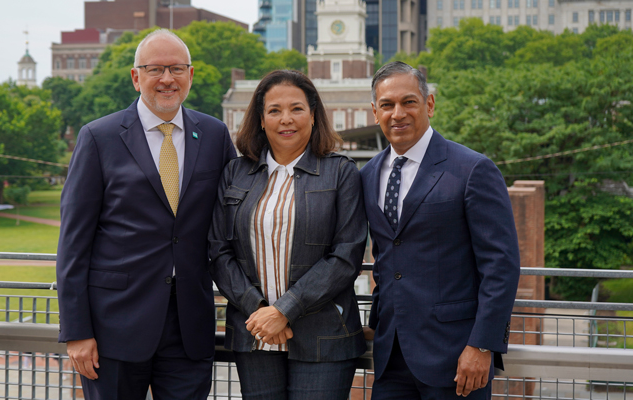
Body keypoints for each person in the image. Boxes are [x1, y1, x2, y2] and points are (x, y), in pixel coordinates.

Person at [56, 29, 236, 399]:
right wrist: (76, 331)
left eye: (176, 69)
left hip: (189, 328)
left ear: (190, 74)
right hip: (113, 330)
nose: (167, 79)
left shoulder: (215, 135)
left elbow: (236, 215)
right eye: (155, 69)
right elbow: (73, 244)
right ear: (136, 77)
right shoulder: (98, 138)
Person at [360, 61, 520, 399]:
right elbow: (386, 255)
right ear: (375, 112)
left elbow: (501, 265)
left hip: (457, 357)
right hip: (391, 356)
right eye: (387, 105)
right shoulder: (368, 174)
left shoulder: (473, 169)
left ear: (429, 104)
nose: (397, 113)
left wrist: (482, 345)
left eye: (409, 102)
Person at [208, 70, 367, 400]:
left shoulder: (341, 172)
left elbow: (345, 256)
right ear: (261, 120)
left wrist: (283, 311)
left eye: (296, 108)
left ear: (313, 114)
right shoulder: (235, 173)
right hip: (254, 335)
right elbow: (218, 251)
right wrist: (261, 312)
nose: (286, 120)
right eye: (274, 110)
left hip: (324, 337)